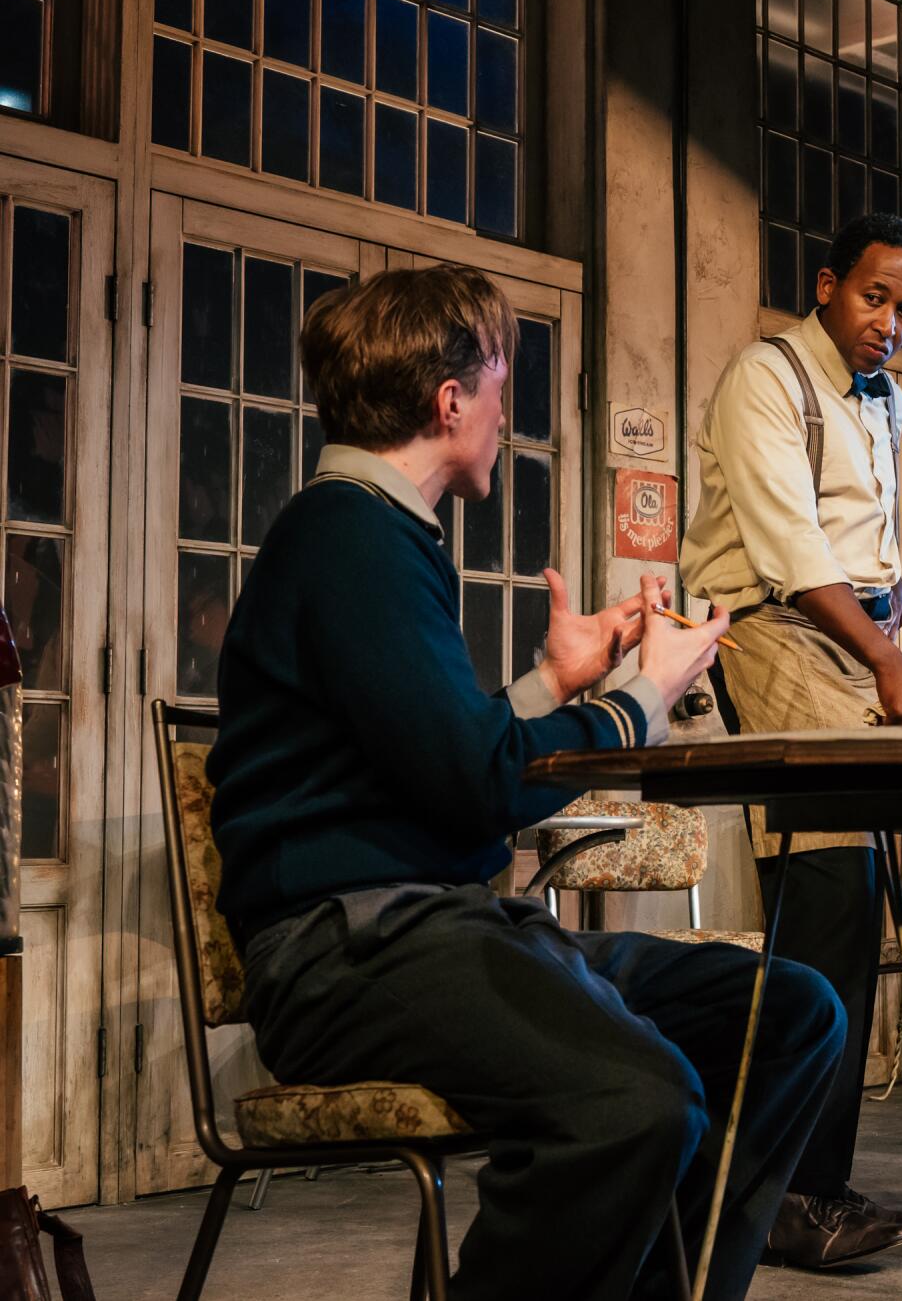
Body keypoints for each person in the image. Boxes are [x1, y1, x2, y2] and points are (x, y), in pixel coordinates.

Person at [207, 264, 843, 1301]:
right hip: (347, 953)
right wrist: (644, 688)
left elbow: (434, 757)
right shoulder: (347, 536)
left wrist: (554, 680)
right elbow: (477, 788)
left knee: (791, 1011)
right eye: (499, 385)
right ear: (449, 401)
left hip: (436, 929)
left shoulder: (373, 535)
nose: (506, 412)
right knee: (634, 1104)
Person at [681, 212, 902, 1268]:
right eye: (873, 298)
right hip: (781, 630)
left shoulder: (886, 400)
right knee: (826, 899)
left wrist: (894, 630)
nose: (888, 323)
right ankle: (785, 1193)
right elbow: (788, 546)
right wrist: (886, 664)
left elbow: (870, 529)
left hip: (858, 634)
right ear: (828, 285)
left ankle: (811, 1177)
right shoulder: (765, 377)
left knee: (857, 903)